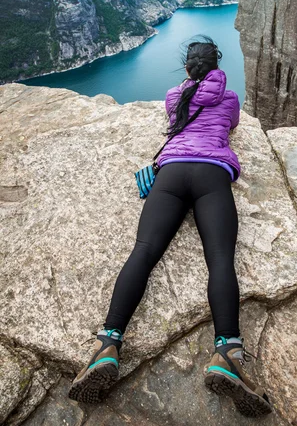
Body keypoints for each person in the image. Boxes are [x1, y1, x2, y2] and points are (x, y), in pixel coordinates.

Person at [68, 36, 272, 417]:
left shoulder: (172, 96)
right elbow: (231, 124)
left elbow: (176, 117)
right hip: (212, 177)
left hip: (172, 174)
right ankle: (227, 351)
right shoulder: (228, 99)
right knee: (220, 260)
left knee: (143, 253)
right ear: (216, 66)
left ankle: (108, 343)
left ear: (186, 68)